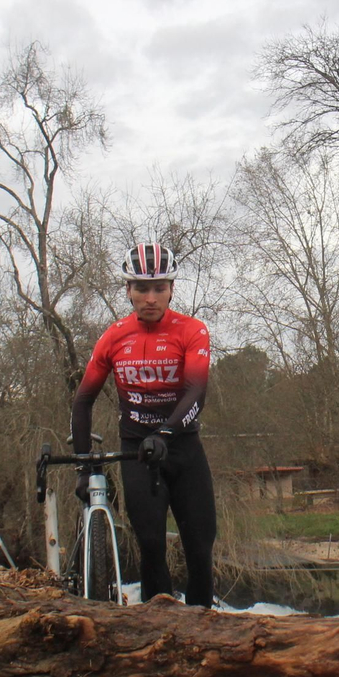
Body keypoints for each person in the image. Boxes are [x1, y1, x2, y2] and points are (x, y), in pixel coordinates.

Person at [70, 242, 216, 606]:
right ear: (128, 291)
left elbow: (196, 390)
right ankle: (159, 631)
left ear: (171, 289)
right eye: (141, 288)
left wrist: (166, 432)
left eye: (159, 288)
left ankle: (203, 631)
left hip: (182, 450)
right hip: (138, 452)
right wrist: (82, 466)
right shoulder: (114, 336)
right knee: (150, 546)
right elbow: (83, 400)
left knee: (199, 548)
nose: (150, 297)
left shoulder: (192, 331)